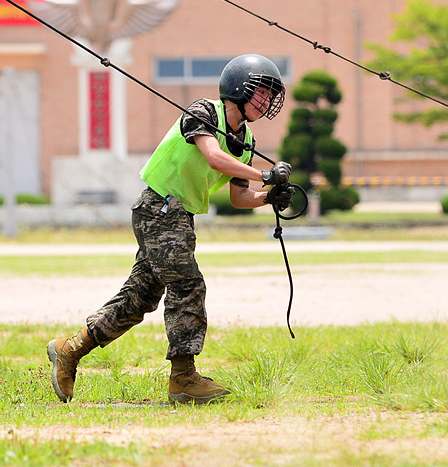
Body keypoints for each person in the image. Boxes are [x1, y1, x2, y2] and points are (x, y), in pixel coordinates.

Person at [47, 53, 295, 404]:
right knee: (187, 283)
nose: (267, 100)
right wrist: (266, 175)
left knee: (139, 298)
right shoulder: (206, 112)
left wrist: (270, 196)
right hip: (159, 207)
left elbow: (240, 198)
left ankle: (69, 350)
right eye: (261, 92)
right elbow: (212, 156)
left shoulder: (246, 141)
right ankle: (183, 377)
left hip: (179, 216)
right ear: (238, 88)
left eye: (271, 95)